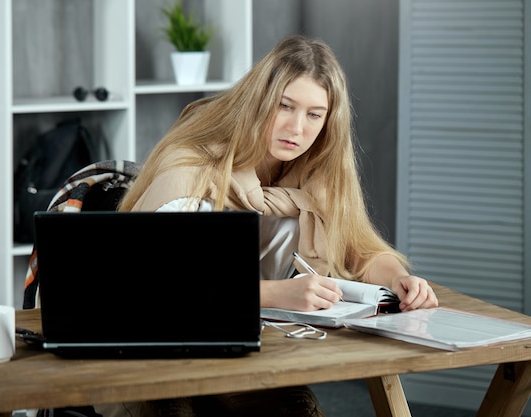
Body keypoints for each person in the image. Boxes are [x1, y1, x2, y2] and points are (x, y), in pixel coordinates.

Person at [100, 34, 439, 417]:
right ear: (259, 101)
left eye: (314, 114)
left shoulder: (316, 171)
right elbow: (155, 288)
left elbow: (357, 248)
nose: (297, 128)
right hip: (158, 349)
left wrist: (397, 279)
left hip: (254, 349)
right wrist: (277, 294)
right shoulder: (192, 165)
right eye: (285, 106)